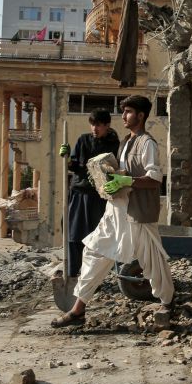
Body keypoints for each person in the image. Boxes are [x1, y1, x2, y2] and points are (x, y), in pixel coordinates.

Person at [52, 95, 174, 327]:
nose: (124, 116)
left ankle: (167, 301)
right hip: (115, 208)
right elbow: (122, 172)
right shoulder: (126, 142)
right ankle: (78, 310)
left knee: (152, 260)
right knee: (94, 252)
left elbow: (154, 179)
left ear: (140, 115)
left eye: (128, 111)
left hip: (137, 213)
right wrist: (107, 176)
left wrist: (124, 181)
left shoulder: (147, 143)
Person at [59, 108, 120, 278]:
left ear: (107, 125)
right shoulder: (83, 140)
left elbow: (116, 170)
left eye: (99, 125)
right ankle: (71, 275)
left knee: (96, 238)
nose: (95, 128)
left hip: (100, 197)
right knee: (73, 234)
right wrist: (67, 158)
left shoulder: (115, 144)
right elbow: (75, 166)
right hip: (79, 193)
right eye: (92, 124)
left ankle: (92, 277)